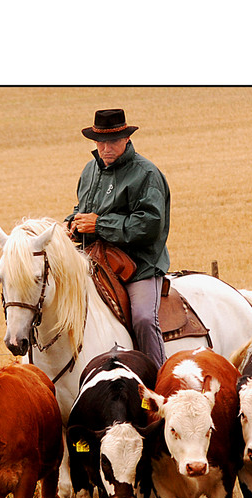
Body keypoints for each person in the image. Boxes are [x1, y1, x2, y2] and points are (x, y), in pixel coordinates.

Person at [65, 108, 170, 367]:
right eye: (100, 142)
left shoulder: (146, 174)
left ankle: (159, 381)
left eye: (112, 141)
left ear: (126, 139)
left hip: (140, 266)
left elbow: (150, 225)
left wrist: (99, 225)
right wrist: (73, 224)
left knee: (144, 319)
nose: (105, 148)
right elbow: (83, 210)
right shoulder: (90, 170)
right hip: (97, 262)